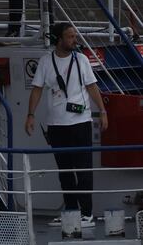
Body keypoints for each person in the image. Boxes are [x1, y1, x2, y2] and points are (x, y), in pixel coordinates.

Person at [25, 22, 108, 227]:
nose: (74, 40)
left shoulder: (81, 60)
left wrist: (102, 111)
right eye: (70, 37)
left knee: (83, 169)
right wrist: (30, 115)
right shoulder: (46, 62)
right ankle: (71, 210)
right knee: (65, 171)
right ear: (58, 39)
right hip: (56, 125)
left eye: (74, 36)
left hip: (80, 122)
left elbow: (92, 86)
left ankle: (86, 213)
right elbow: (36, 89)